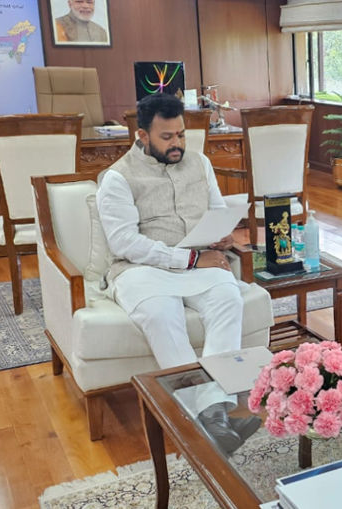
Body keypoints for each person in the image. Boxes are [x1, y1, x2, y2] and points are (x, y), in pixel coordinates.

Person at [96, 93, 257, 453]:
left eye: (181, 135)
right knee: (162, 314)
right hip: (142, 270)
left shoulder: (200, 164)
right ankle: (209, 415)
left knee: (229, 298)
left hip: (200, 261)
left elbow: (217, 209)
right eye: (167, 138)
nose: (177, 144)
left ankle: (214, 414)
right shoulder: (118, 178)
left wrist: (223, 233)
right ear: (142, 136)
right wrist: (188, 260)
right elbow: (124, 242)